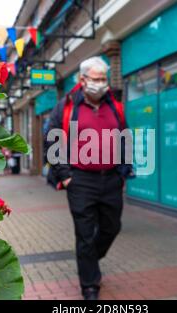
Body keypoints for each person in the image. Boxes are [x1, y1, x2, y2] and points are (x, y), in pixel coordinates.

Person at [44, 57, 134, 300]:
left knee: (112, 227)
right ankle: (90, 286)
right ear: (82, 80)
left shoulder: (114, 104)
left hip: (111, 178)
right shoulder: (68, 106)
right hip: (80, 180)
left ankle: (90, 259)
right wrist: (66, 176)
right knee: (84, 234)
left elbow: (125, 136)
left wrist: (124, 170)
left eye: (104, 79)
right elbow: (52, 139)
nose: (101, 84)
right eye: (96, 79)